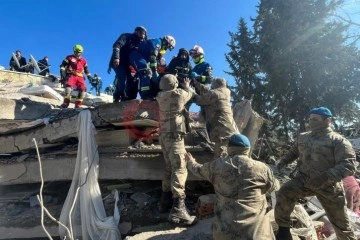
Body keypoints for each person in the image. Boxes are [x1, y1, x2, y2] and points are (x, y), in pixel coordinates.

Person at [275, 107, 357, 240]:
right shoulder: (303, 137)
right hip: (304, 181)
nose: (311, 122)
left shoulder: (338, 141)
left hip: (329, 186)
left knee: (341, 224)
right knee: (285, 191)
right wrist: (283, 161)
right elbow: (294, 152)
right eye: (310, 119)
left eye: (315, 119)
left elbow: (348, 165)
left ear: (327, 120)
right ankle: (284, 231)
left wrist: (324, 177)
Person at [185, 133, 279, 239]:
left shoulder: (216, 166)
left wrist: (190, 161)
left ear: (229, 148)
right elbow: (274, 187)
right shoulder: (262, 168)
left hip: (224, 234)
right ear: (247, 149)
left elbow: (198, 170)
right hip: (255, 235)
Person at [155, 74, 197, 226]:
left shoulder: (160, 96)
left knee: (169, 168)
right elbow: (190, 93)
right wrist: (186, 85)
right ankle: (179, 209)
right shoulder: (178, 94)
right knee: (180, 169)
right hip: (174, 138)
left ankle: (164, 203)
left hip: (164, 137)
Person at [192, 78, 238, 158]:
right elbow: (210, 92)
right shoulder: (225, 92)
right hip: (230, 131)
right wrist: (197, 84)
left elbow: (199, 100)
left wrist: (189, 90)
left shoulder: (215, 94)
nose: (211, 86)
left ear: (215, 85)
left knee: (220, 160)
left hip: (223, 135)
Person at [130, 35, 176, 100]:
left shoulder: (159, 46)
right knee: (145, 71)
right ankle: (145, 95)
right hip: (136, 55)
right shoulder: (157, 42)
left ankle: (145, 94)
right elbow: (153, 57)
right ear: (166, 41)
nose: (167, 48)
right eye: (168, 46)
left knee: (143, 75)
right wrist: (154, 71)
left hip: (142, 58)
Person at [109, 26, 147, 102]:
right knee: (121, 76)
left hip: (127, 65)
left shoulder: (141, 43)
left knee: (131, 79)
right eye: (140, 33)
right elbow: (117, 45)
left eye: (144, 34)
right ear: (136, 32)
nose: (142, 35)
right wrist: (116, 57)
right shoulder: (126, 36)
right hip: (118, 61)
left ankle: (126, 97)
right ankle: (120, 95)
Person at [60, 44, 92, 108]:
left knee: (83, 89)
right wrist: (62, 74)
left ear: (81, 52)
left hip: (80, 77)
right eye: (76, 51)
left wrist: (89, 77)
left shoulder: (84, 61)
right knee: (68, 87)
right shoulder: (69, 57)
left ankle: (78, 104)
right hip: (71, 75)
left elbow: (86, 70)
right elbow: (62, 66)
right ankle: (66, 103)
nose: (77, 53)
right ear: (74, 51)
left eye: (78, 52)